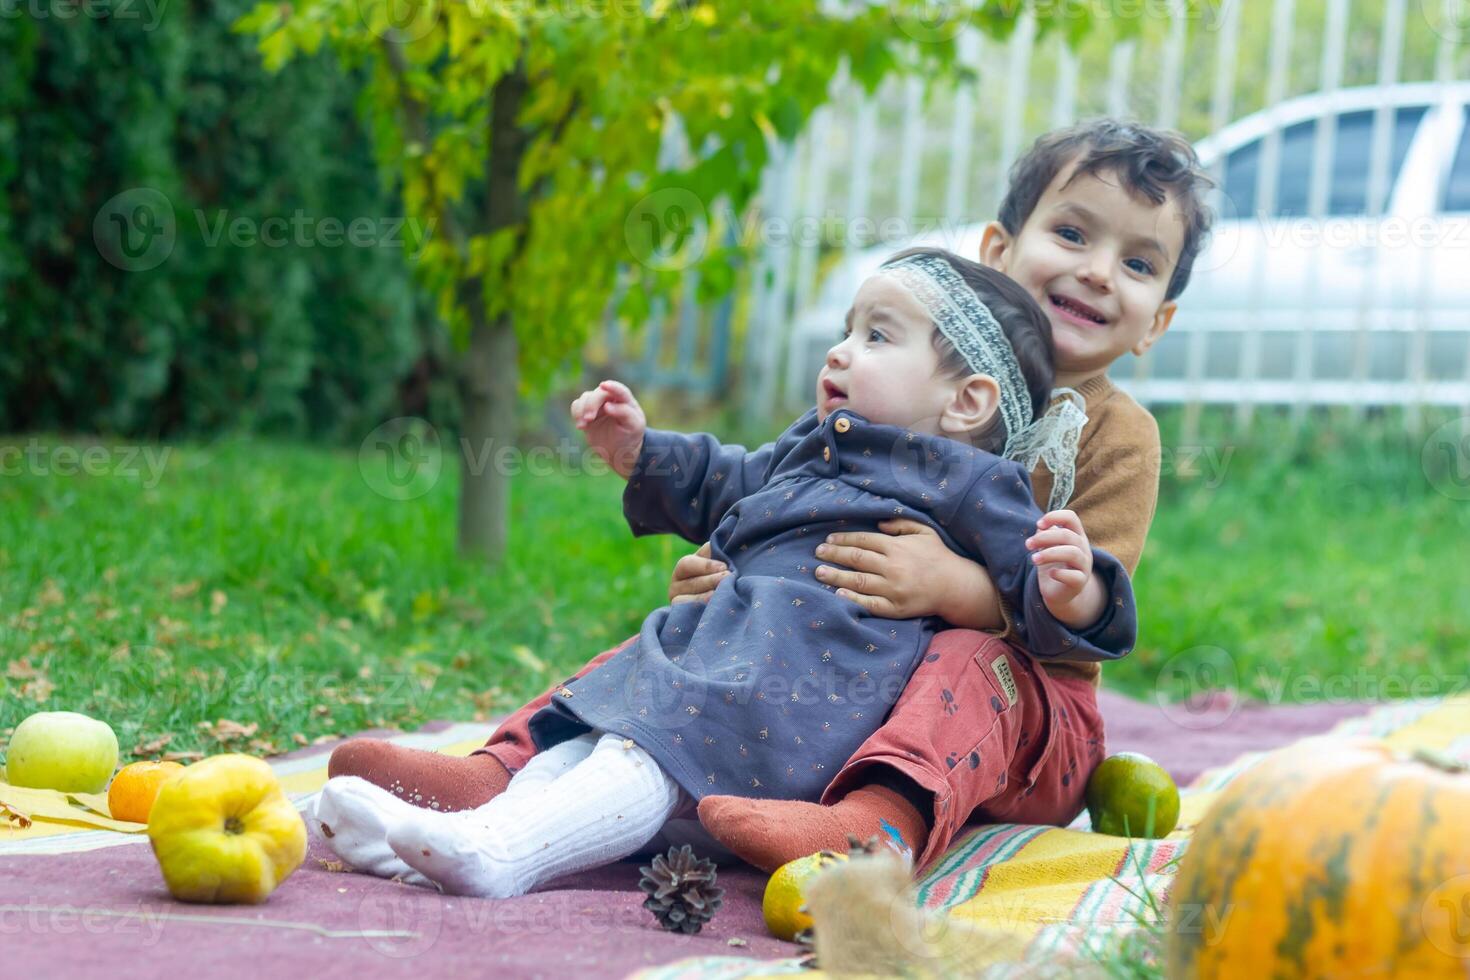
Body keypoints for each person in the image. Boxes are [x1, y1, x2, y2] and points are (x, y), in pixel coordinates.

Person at [326, 118, 1214, 874]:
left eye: (1138, 263)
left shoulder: (1118, 434)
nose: (1099, 271)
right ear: (997, 250)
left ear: (1158, 322)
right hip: (846, 663)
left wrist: (959, 591)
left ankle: (880, 822)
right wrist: (734, 566)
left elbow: (1078, 617)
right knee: (675, 639)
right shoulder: (890, 393)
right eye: (1072, 234)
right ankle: (508, 764)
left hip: (1022, 719)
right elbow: (756, 482)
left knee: (963, 666)